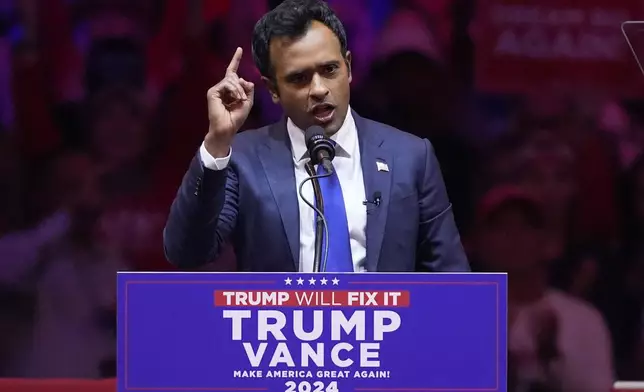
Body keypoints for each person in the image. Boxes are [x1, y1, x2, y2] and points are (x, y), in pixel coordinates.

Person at [163, 0, 469, 273]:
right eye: (299, 78)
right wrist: (217, 144)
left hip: (386, 334)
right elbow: (187, 252)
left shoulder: (410, 156)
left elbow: (453, 280)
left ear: (348, 68)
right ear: (273, 90)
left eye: (330, 70)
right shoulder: (244, 158)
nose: (319, 88)